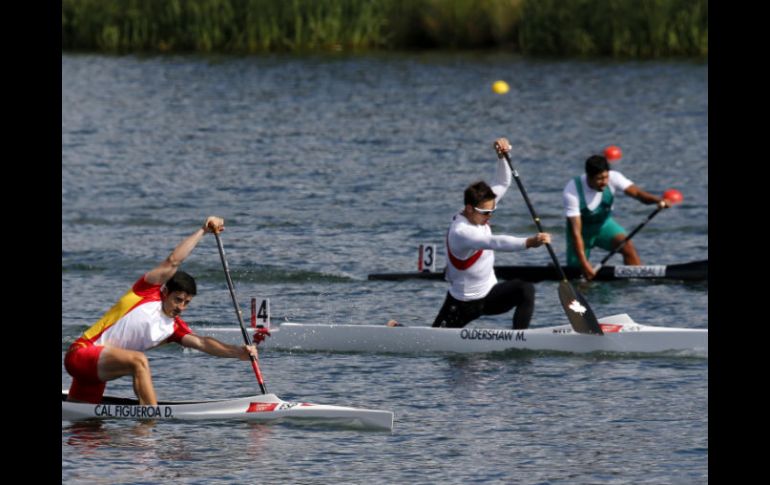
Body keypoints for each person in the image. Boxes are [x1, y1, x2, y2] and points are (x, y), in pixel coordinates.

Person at [64, 216, 258, 405]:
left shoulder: (174, 328)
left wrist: (238, 352)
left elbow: (203, 343)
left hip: (98, 372)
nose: (181, 307)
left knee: (86, 427)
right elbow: (173, 260)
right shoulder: (145, 291)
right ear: (165, 292)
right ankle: (150, 420)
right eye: (178, 300)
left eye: (186, 303)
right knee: (139, 361)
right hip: (80, 354)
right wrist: (203, 231)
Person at [432, 138, 551, 330]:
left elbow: (503, 182)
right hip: (463, 303)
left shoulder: (480, 207)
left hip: (490, 295)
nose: (490, 216)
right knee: (432, 341)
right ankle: (397, 329)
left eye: (492, 211)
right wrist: (529, 242)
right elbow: (495, 242)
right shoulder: (461, 232)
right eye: (486, 213)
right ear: (469, 209)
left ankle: (519, 340)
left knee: (525, 289)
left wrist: (502, 157)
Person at [563, 155, 670, 280]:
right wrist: (584, 264)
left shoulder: (614, 177)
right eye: (599, 179)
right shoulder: (572, 191)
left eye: (606, 177)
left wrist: (657, 200)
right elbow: (576, 234)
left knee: (627, 246)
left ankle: (639, 284)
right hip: (581, 233)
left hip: (603, 226)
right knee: (577, 275)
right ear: (589, 176)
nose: (604, 182)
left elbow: (637, 194)